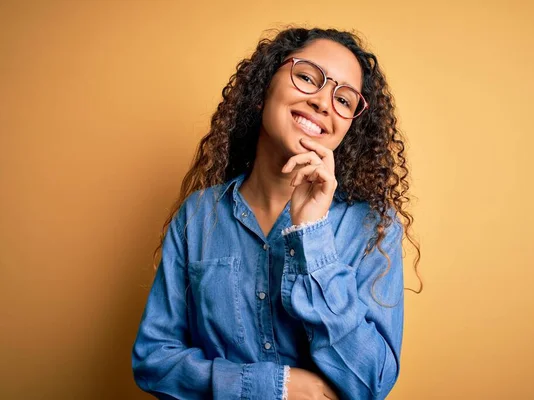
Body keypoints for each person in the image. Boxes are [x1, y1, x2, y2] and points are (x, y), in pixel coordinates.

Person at [132, 26, 421, 400]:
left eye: (345, 100)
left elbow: (371, 383)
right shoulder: (198, 216)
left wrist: (312, 235)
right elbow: (154, 360)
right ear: (262, 90)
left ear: (349, 129)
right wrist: (275, 387)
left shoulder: (372, 229)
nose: (322, 102)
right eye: (306, 77)